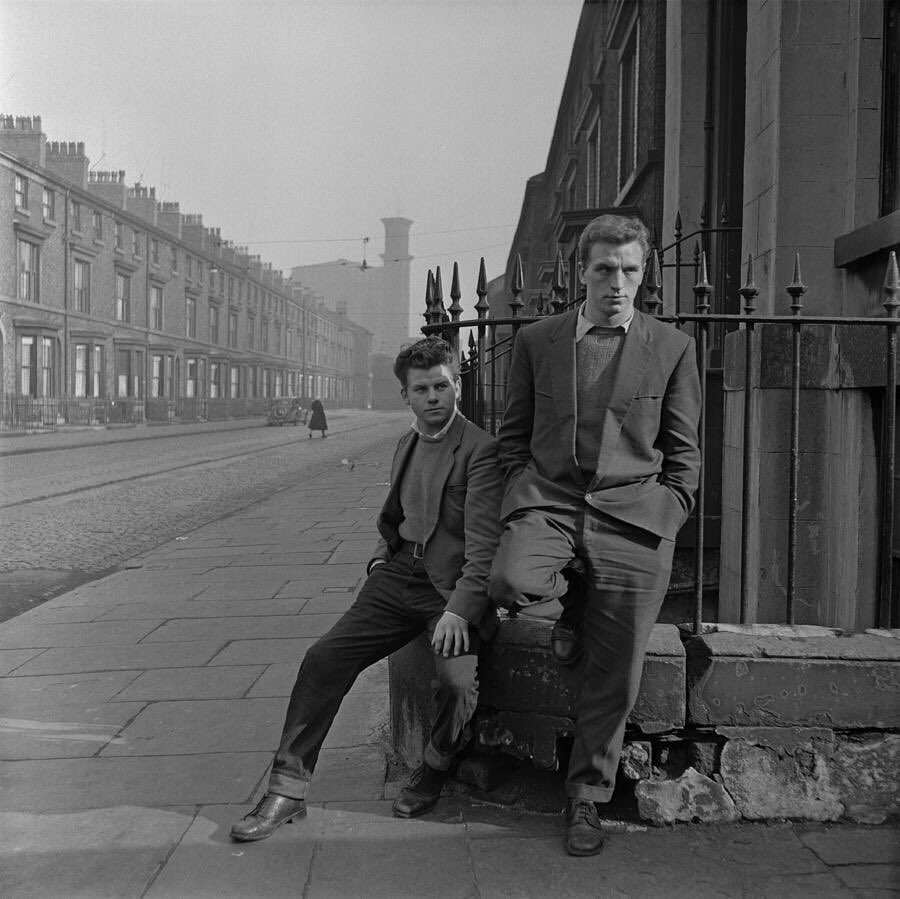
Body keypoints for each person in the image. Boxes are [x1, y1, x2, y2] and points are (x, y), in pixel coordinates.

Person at [231, 336, 503, 842]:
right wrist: (381, 561)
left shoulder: (481, 451)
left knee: (457, 682)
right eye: (421, 389)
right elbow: (395, 518)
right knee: (323, 659)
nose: (433, 397)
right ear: (406, 396)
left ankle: (437, 765)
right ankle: (287, 791)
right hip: (398, 575)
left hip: (449, 590)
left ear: (457, 386)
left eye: (442, 386)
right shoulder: (406, 443)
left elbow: (484, 547)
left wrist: (462, 611)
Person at [488, 213, 701, 857]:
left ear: (644, 275)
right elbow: (512, 437)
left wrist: (670, 507)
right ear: (579, 272)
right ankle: (574, 607)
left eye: (630, 270)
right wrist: (521, 493)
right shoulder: (537, 340)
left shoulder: (672, 346)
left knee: (617, 671)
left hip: (635, 514)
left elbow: (685, 452)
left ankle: (585, 799)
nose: (617, 283)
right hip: (552, 501)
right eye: (604, 269)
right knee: (511, 579)